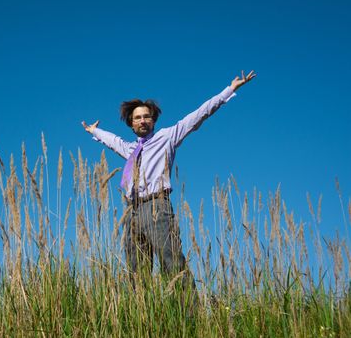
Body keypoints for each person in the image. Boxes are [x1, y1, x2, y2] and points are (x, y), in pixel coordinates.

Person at [81, 71, 256, 289]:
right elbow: (112, 140)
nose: (142, 120)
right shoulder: (130, 149)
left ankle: (188, 312)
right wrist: (94, 130)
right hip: (131, 211)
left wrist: (229, 90)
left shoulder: (167, 137)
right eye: (137, 118)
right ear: (131, 123)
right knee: (136, 270)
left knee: (171, 261)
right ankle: (142, 315)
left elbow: (199, 114)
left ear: (153, 120)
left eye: (147, 116)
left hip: (157, 205)